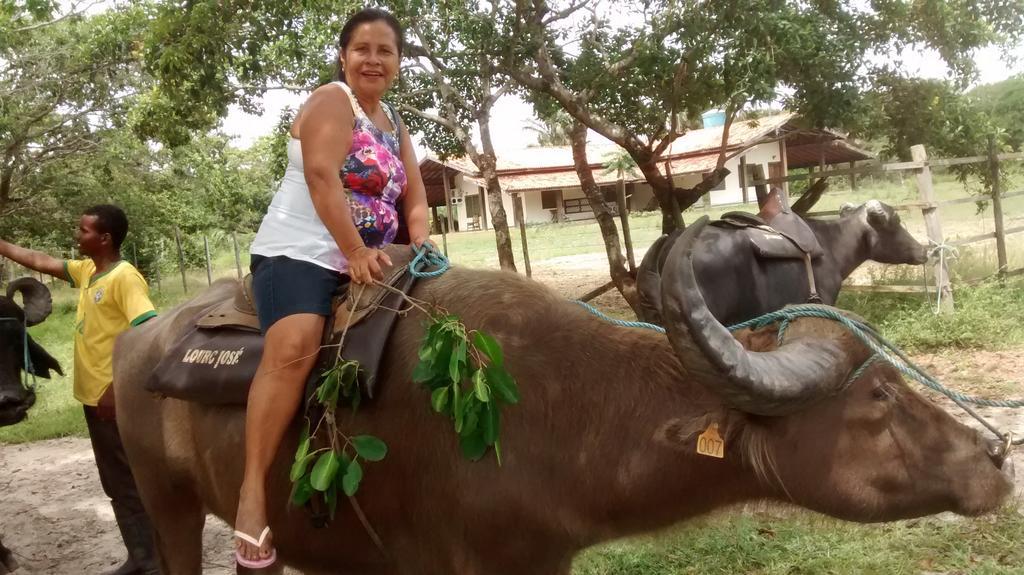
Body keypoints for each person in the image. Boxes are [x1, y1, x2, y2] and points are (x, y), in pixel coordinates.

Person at [235, 7, 431, 568]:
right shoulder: (331, 100)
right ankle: (252, 494)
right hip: (302, 253)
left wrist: (419, 240)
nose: (373, 59)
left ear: (397, 62)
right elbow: (323, 176)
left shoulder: (394, 122)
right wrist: (351, 252)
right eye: (362, 49)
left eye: (385, 50)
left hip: (377, 257)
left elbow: (413, 194)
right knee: (294, 347)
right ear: (344, 56)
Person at [0, 204, 159, 575]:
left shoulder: (125, 278)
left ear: (104, 239)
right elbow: (40, 260)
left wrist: (116, 388)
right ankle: (141, 556)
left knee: (131, 482)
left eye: (83, 231)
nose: (77, 235)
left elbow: (148, 332)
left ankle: (154, 562)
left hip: (115, 402)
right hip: (94, 400)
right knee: (117, 483)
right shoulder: (89, 271)